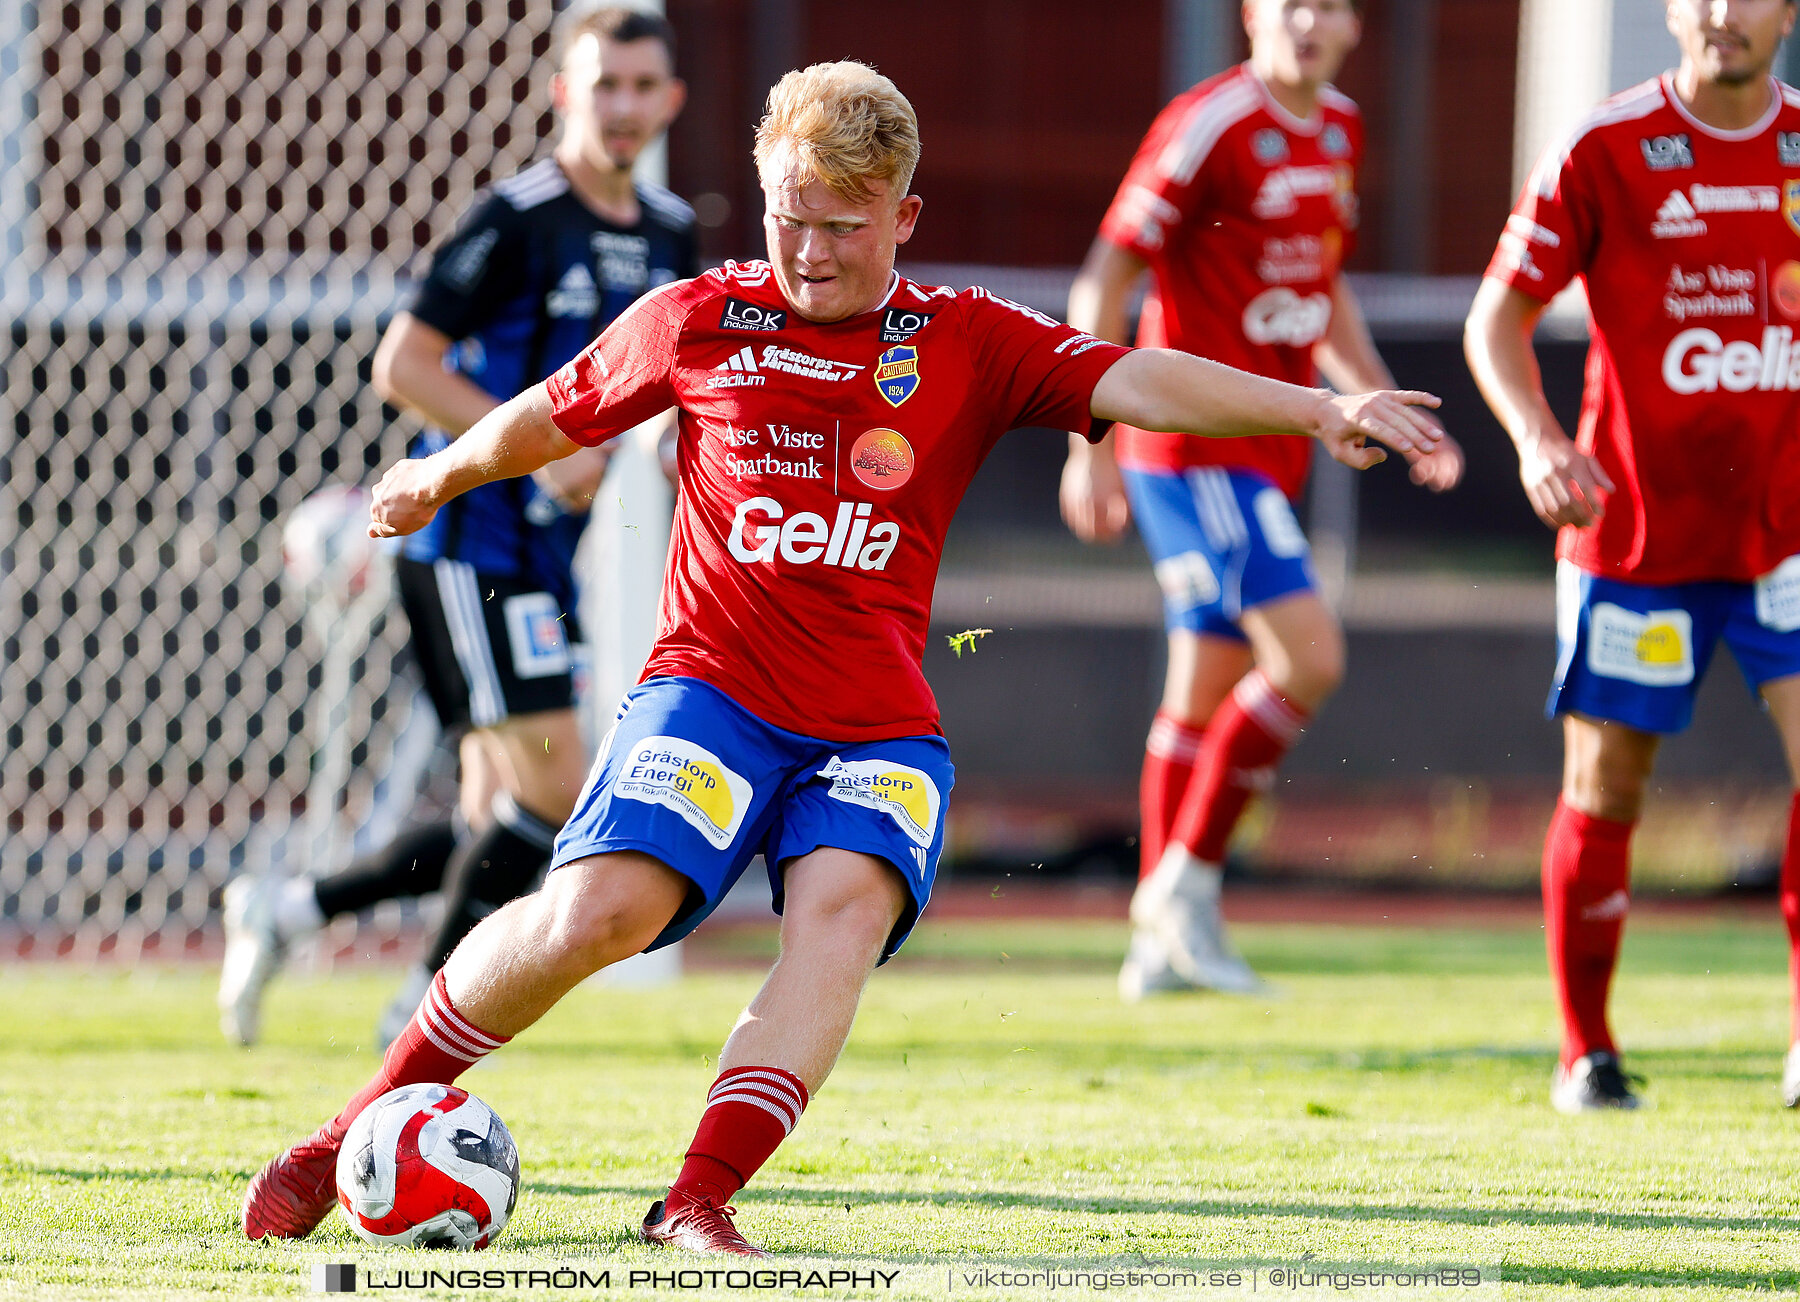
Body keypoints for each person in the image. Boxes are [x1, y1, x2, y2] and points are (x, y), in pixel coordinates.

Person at [240, 60, 1441, 1257]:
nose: (807, 252)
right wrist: (440, 474)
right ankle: (343, 1136)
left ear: (904, 218)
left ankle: (695, 1203)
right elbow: (556, 406)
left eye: (841, 227)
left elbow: (1135, 377)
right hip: (709, 694)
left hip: (875, 722)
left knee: (841, 917)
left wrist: (1317, 409)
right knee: (598, 913)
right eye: (787, 219)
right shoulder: (700, 317)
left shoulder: (966, 339)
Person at [217, 2, 694, 1048]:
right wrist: (546, 445)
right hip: (468, 547)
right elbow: (405, 363)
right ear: (564, 91)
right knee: (557, 794)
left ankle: (290, 912)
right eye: (602, 84)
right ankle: (422, 1018)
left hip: (545, 560)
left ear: (671, 103)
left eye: (641, 87)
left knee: (498, 822)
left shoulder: (669, 237)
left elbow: (662, 397)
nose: (622, 106)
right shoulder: (514, 218)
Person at [1059, 0, 1464, 1001]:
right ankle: (1182, 887)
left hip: (1270, 449)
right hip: (1200, 446)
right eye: (1291, 3)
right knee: (1310, 656)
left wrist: (1389, 408)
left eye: (1331, 6)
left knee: (1201, 689)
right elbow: (1106, 276)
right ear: (1251, 16)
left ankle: (1161, 943)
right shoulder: (1210, 123)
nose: (1310, 22)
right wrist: (1090, 439)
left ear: (1355, 26)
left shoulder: (1342, 128)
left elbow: (1320, 293)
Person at [1466, 0, 1800, 1113]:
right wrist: (1538, 439)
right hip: (1637, 539)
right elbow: (1497, 319)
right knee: (1608, 791)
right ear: (1672, 10)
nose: (1725, 14)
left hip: (1785, 534)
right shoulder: (1604, 148)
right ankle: (1586, 1052)